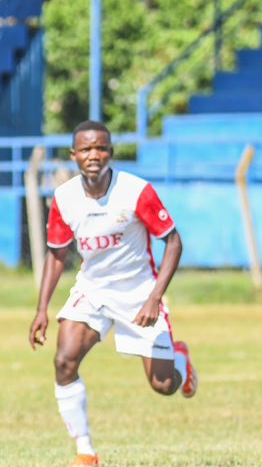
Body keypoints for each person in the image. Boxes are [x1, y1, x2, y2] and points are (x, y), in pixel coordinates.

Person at [29, 120, 198, 467]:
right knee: (64, 361)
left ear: (110, 152)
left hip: (138, 293)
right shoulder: (64, 198)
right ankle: (86, 451)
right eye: (86, 149)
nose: (94, 155)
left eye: (101, 148)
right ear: (74, 155)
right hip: (92, 291)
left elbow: (174, 241)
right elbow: (58, 254)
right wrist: (42, 309)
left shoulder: (135, 191)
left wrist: (154, 298)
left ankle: (180, 358)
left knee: (164, 385)